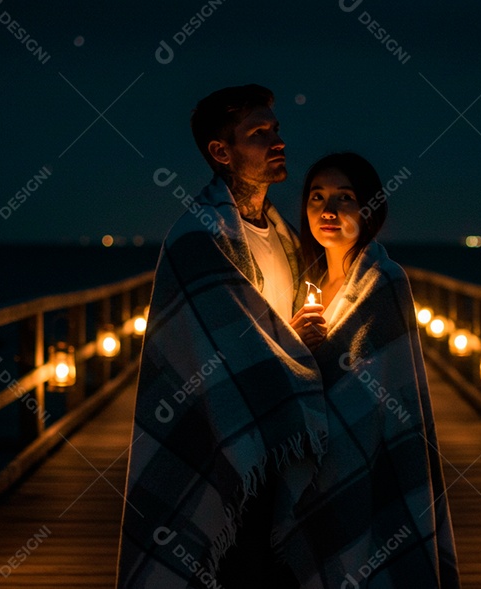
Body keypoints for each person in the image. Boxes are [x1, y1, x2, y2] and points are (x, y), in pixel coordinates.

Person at [115, 85, 326, 588]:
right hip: (222, 429)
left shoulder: (284, 236)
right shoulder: (197, 238)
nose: (276, 140)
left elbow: (272, 329)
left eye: (275, 129)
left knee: (276, 566)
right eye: (258, 133)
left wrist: (297, 339)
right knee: (233, 566)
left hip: (275, 432)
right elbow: (216, 349)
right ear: (220, 152)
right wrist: (293, 346)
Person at [278, 152, 461, 588]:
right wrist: (295, 341)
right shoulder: (310, 281)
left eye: (344, 198)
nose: (327, 211)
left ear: (370, 208)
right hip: (318, 454)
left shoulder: (384, 280)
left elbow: (374, 389)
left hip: (366, 450)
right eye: (317, 197)